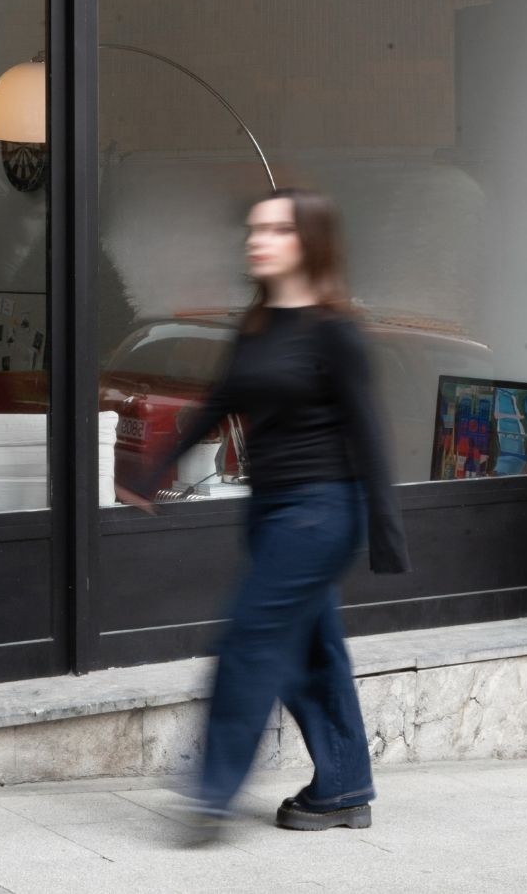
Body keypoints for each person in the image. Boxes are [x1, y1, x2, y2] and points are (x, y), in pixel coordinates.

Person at [119, 187, 409, 835]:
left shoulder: (337, 332)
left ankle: (211, 795)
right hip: (275, 512)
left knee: (249, 643)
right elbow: (218, 402)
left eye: (275, 230)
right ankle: (344, 787)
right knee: (312, 654)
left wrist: (387, 532)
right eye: (255, 229)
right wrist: (152, 473)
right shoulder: (258, 325)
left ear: (308, 243)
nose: (258, 240)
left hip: (321, 514)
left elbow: (370, 433)